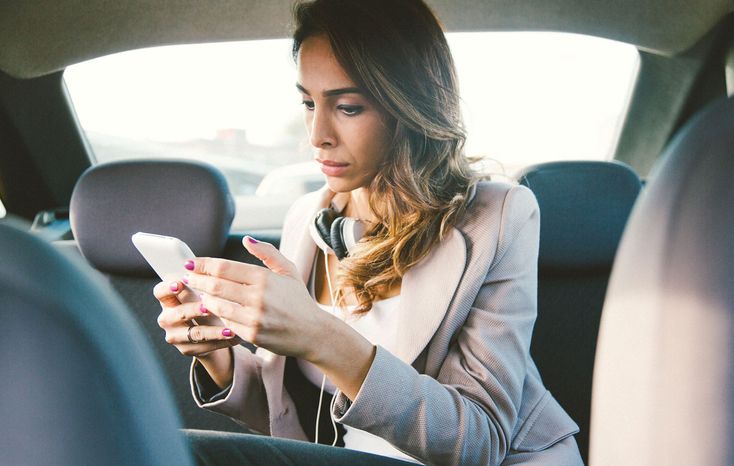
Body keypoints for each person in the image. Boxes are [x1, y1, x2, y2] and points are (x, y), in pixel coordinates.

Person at [154, 0, 582, 464]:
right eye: (307, 102)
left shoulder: (498, 216)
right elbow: (296, 419)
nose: (317, 134)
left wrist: (321, 336)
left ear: (410, 105)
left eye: (349, 107)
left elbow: (477, 442)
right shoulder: (305, 218)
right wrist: (217, 355)